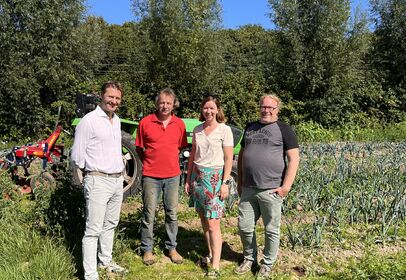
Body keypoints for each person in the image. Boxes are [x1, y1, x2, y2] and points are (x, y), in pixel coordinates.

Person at [234, 94, 300, 279]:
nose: (266, 110)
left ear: (277, 109)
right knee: (245, 226)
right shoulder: (250, 127)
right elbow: (241, 156)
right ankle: (249, 258)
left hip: (272, 189)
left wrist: (286, 186)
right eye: (263, 107)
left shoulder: (284, 129)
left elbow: (294, 159)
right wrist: (239, 182)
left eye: (270, 107)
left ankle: (267, 264)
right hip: (249, 188)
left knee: (271, 229)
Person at [71, 81, 128, 280]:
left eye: (117, 98)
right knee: (93, 229)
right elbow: (77, 155)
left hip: (116, 180)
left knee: (110, 224)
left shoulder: (117, 120)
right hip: (97, 180)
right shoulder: (89, 121)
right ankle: (90, 274)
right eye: (110, 96)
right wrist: (90, 173)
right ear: (102, 96)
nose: (113, 101)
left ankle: (105, 262)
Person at [135, 88, 188, 265]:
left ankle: (171, 248)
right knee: (148, 213)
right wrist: (150, 164)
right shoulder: (145, 122)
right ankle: (147, 250)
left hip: (173, 176)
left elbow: (180, 148)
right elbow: (139, 149)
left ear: (174, 105)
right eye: (162, 102)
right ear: (157, 103)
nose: (165, 106)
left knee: (171, 213)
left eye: (168, 103)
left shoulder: (179, 124)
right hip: (151, 175)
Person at [185, 95, 234, 278]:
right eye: (206, 108)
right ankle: (211, 253)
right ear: (202, 110)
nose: (208, 111)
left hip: (215, 179)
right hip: (198, 178)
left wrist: (225, 183)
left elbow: (229, 158)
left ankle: (215, 266)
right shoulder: (197, 129)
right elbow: (192, 157)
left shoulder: (224, 130)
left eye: (212, 108)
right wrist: (188, 179)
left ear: (217, 110)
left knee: (214, 223)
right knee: (204, 220)